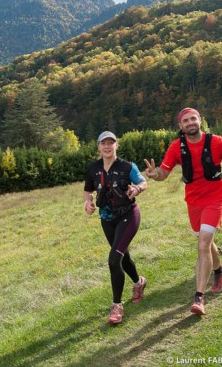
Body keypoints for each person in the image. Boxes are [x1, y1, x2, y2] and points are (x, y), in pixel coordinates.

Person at [143, 108, 222, 316]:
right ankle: (220, 271)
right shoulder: (176, 147)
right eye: (185, 120)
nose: (190, 122)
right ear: (180, 126)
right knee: (206, 243)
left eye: (193, 118)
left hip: (215, 198)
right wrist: (155, 175)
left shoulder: (217, 142)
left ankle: (199, 297)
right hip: (193, 202)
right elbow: (164, 172)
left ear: (200, 120)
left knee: (202, 245)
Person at [83, 131, 148, 325]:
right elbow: (88, 190)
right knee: (122, 256)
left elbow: (143, 182)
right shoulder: (93, 168)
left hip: (128, 215)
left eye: (111, 143)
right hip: (107, 219)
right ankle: (139, 282)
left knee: (113, 260)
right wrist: (87, 202)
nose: (107, 146)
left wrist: (137, 188)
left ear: (116, 145)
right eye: (104, 143)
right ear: (99, 146)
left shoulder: (128, 166)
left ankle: (117, 306)